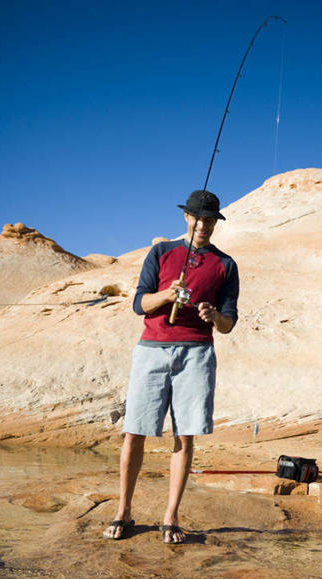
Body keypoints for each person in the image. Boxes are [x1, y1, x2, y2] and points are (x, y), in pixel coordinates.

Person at [103, 190, 239, 543]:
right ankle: (124, 510)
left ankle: (171, 516)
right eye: (198, 218)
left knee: (185, 434)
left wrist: (214, 316)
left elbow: (228, 323)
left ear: (215, 223)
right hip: (152, 349)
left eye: (210, 220)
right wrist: (166, 295)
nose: (203, 226)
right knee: (134, 431)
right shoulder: (162, 252)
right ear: (186, 218)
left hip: (197, 353)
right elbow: (139, 304)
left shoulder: (225, 265)